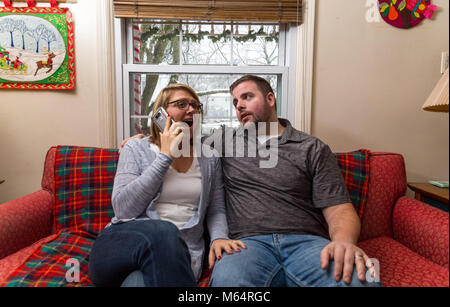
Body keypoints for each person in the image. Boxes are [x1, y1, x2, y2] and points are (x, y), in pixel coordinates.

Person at [120, 76, 381, 287]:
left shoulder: (311, 147)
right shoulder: (220, 142)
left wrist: (344, 242)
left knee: (362, 281)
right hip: (246, 245)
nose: (239, 106)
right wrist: (141, 137)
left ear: (270, 98)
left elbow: (339, 208)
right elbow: (176, 138)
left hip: (307, 244)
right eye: (235, 102)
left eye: (247, 97)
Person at [89, 83, 245, 287]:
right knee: (164, 231)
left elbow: (216, 208)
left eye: (195, 106)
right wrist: (165, 156)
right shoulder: (136, 148)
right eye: (181, 104)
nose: (191, 110)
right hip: (121, 246)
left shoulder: (208, 156)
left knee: (137, 282)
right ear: (161, 113)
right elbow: (124, 209)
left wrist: (218, 237)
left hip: (181, 256)